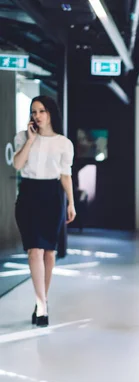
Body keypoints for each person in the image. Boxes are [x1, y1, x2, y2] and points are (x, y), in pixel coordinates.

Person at [12, 95, 76, 327]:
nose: (37, 116)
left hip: (52, 196)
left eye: (41, 111)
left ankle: (43, 300)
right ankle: (41, 304)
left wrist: (71, 203)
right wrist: (30, 140)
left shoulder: (63, 143)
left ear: (50, 113)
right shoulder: (23, 137)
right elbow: (17, 165)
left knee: (49, 252)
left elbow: (65, 175)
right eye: (34, 112)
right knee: (34, 250)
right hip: (29, 195)